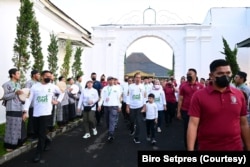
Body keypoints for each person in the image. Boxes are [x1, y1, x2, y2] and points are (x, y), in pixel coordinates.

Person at [187, 59, 250, 151]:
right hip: (208, 147)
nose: (225, 76)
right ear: (211, 76)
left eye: (228, 73)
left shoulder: (239, 94)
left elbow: (244, 124)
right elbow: (193, 125)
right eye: (220, 73)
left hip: (235, 147)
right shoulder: (198, 96)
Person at [23, 70, 62, 163]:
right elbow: (28, 99)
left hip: (47, 113)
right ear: (42, 77)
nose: (49, 77)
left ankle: (38, 153)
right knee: (37, 131)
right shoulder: (35, 87)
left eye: (50, 76)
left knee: (41, 133)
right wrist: (25, 111)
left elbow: (62, 93)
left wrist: (57, 101)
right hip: (36, 113)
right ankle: (47, 140)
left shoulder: (53, 86)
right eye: (47, 76)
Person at [177, 68, 204, 149]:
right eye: (187, 74)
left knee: (198, 130)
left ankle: (196, 146)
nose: (188, 76)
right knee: (187, 130)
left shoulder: (201, 86)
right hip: (186, 111)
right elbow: (180, 99)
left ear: (195, 75)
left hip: (198, 113)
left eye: (190, 74)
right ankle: (188, 147)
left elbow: (203, 100)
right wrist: (178, 112)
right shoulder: (183, 86)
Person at [2, 68, 27, 152]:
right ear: (13, 75)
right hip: (11, 108)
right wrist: (15, 93)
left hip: (19, 107)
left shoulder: (19, 85)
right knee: (11, 127)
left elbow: (21, 97)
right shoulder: (6, 85)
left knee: (19, 126)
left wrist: (24, 109)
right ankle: (9, 145)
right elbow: (3, 97)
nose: (19, 75)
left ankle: (18, 142)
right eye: (18, 73)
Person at [98, 76, 122, 141]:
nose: (111, 81)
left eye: (112, 80)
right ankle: (110, 130)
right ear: (107, 81)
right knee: (107, 121)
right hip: (106, 106)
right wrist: (99, 105)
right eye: (109, 80)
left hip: (114, 106)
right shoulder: (104, 88)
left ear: (114, 81)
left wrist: (120, 106)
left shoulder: (117, 88)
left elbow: (119, 98)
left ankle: (111, 134)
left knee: (112, 120)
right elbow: (101, 97)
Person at [126, 72, 146, 144]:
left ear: (141, 79)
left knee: (139, 123)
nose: (138, 79)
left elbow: (144, 96)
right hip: (132, 107)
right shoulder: (130, 86)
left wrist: (144, 106)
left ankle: (136, 137)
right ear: (134, 78)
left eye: (139, 77)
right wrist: (127, 106)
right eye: (137, 77)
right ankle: (132, 128)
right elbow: (128, 96)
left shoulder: (143, 86)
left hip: (139, 107)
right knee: (131, 120)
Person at [25, 69, 40, 139]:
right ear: (34, 75)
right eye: (38, 74)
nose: (39, 76)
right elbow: (27, 92)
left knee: (36, 120)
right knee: (31, 120)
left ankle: (36, 132)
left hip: (37, 104)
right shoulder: (29, 82)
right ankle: (30, 134)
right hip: (31, 104)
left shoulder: (38, 83)